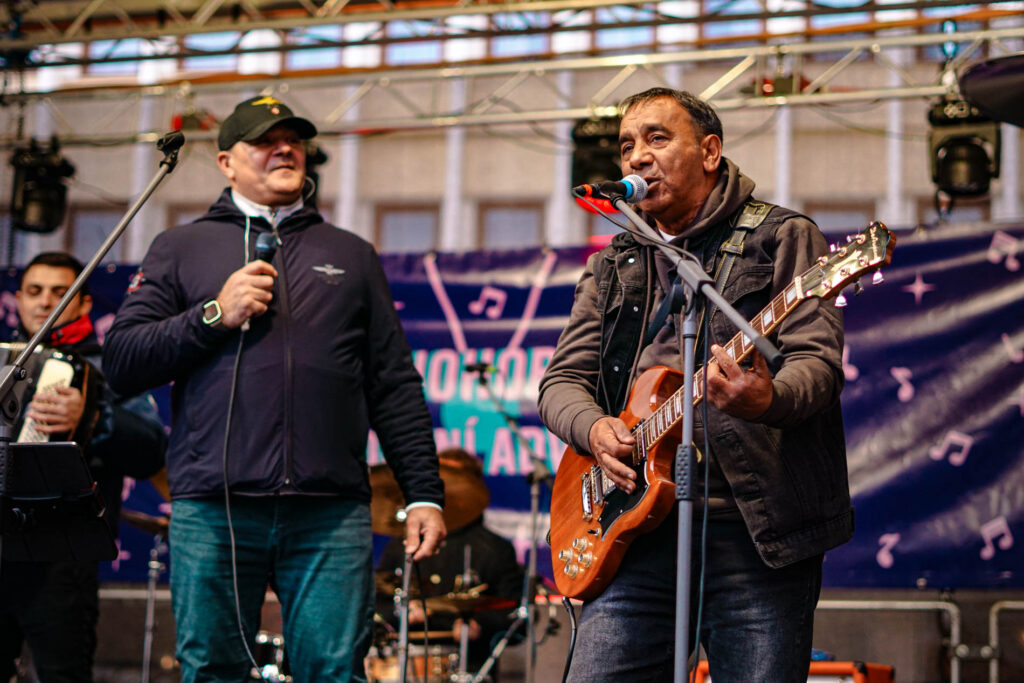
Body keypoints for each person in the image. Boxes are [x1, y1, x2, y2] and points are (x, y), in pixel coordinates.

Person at [101, 95, 446, 682]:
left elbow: (392, 384)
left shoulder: (351, 254)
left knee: (335, 672)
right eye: (264, 140)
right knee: (213, 671)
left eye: (293, 139)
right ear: (226, 163)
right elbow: (123, 361)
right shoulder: (181, 247)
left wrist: (424, 494)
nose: (284, 149)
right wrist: (214, 314)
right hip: (214, 506)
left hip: (330, 509)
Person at [538, 87, 852, 682]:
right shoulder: (614, 262)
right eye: (626, 146)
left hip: (755, 533)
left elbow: (818, 364)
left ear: (710, 152)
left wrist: (769, 399)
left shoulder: (781, 237)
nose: (636, 156)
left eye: (657, 138)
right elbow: (562, 381)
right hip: (631, 530)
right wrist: (594, 428)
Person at [1, 251, 167, 683]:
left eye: (61, 292)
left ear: (84, 303)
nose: (45, 301)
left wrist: (92, 416)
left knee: (64, 674)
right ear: (18, 299)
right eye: (34, 291)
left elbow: (152, 450)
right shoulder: (5, 362)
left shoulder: (108, 365)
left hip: (61, 558)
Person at [375, 448, 523, 680]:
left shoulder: (495, 549)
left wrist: (478, 624)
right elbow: (374, 606)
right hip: (405, 662)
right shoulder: (404, 545)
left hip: (471, 666)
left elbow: (515, 615)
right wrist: (401, 612)